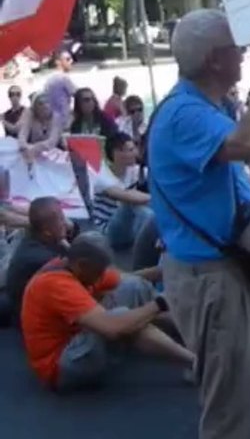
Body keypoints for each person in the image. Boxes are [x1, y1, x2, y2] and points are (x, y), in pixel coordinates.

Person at [149, 10, 250, 439]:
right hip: (213, 278)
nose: (247, 53)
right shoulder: (184, 115)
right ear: (214, 60)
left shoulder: (204, 106)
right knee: (234, 418)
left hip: (227, 271)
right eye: (238, 48)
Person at [20, 233, 194, 391]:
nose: (100, 277)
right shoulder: (56, 284)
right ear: (82, 265)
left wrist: (172, 272)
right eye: (98, 273)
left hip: (77, 336)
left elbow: (128, 278)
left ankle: (195, 332)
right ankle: (196, 363)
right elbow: (113, 328)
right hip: (62, 367)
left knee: (134, 286)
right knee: (120, 318)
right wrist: (161, 302)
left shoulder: (75, 265)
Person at [4, 197, 71, 323]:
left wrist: (62, 236)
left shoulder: (39, 237)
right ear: (47, 231)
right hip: (32, 318)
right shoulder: (42, 259)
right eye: (61, 219)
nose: (65, 223)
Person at [92, 132, 153, 250]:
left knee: (146, 211)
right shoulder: (103, 177)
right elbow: (128, 197)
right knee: (133, 205)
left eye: (134, 149)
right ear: (117, 153)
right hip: (107, 231)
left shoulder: (135, 171)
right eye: (130, 150)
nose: (135, 153)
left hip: (130, 227)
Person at [18, 94, 61, 161]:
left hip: (52, 156)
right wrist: (24, 147)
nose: (45, 106)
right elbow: (22, 135)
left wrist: (34, 147)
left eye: (47, 102)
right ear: (34, 107)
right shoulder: (29, 115)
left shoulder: (56, 117)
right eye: (40, 103)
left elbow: (52, 141)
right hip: (31, 154)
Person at [43, 50, 77, 129]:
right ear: (58, 62)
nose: (71, 61)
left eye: (71, 59)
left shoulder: (49, 79)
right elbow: (78, 95)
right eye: (68, 59)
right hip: (64, 121)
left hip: (51, 121)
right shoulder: (63, 78)